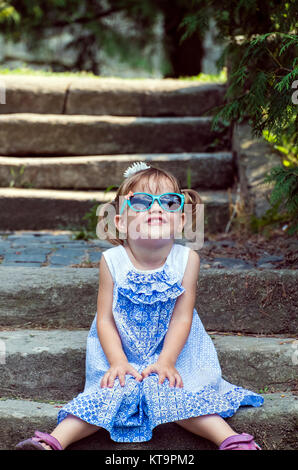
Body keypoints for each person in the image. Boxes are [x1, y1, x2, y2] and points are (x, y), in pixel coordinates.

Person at [16, 162, 263, 451]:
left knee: (173, 390)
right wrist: (118, 361)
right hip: (122, 352)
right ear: (120, 221)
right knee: (112, 392)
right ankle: (51, 443)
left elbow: (182, 318)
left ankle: (231, 441)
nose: (156, 208)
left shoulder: (186, 260)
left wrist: (168, 361)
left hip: (176, 353)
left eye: (169, 202)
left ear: (181, 219)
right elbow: (106, 320)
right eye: (143, 201)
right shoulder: (112, 261)